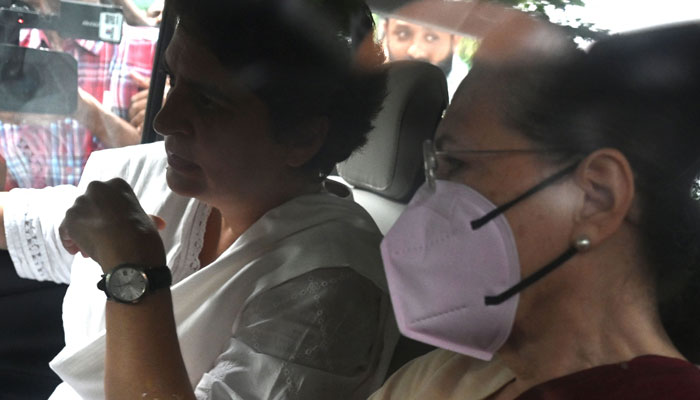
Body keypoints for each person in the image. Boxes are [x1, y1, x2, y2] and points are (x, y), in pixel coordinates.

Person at [0, 0, 397, 399]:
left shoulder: (331, 289)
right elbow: (37, 220)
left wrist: (133, 271)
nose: (163, 120)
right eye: (173, 79)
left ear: (302, 137)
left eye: (209, 101)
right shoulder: (169, 177)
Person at [372, 22, 700, 399]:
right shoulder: (446, 374)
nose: (428, 200)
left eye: (456, 164)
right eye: (434, 168)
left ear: (596, 199)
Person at [0, 0, 158, 189]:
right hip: (31, 215)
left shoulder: (152, 51)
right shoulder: (10, 51)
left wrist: (81, 106)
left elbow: (159, 169)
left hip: (125, 214)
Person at [382, 17, 468, 99]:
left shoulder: (470, 98)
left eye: (431, 37)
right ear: (386, 31)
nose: (415, 52)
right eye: (403, 34)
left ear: (455, 40)